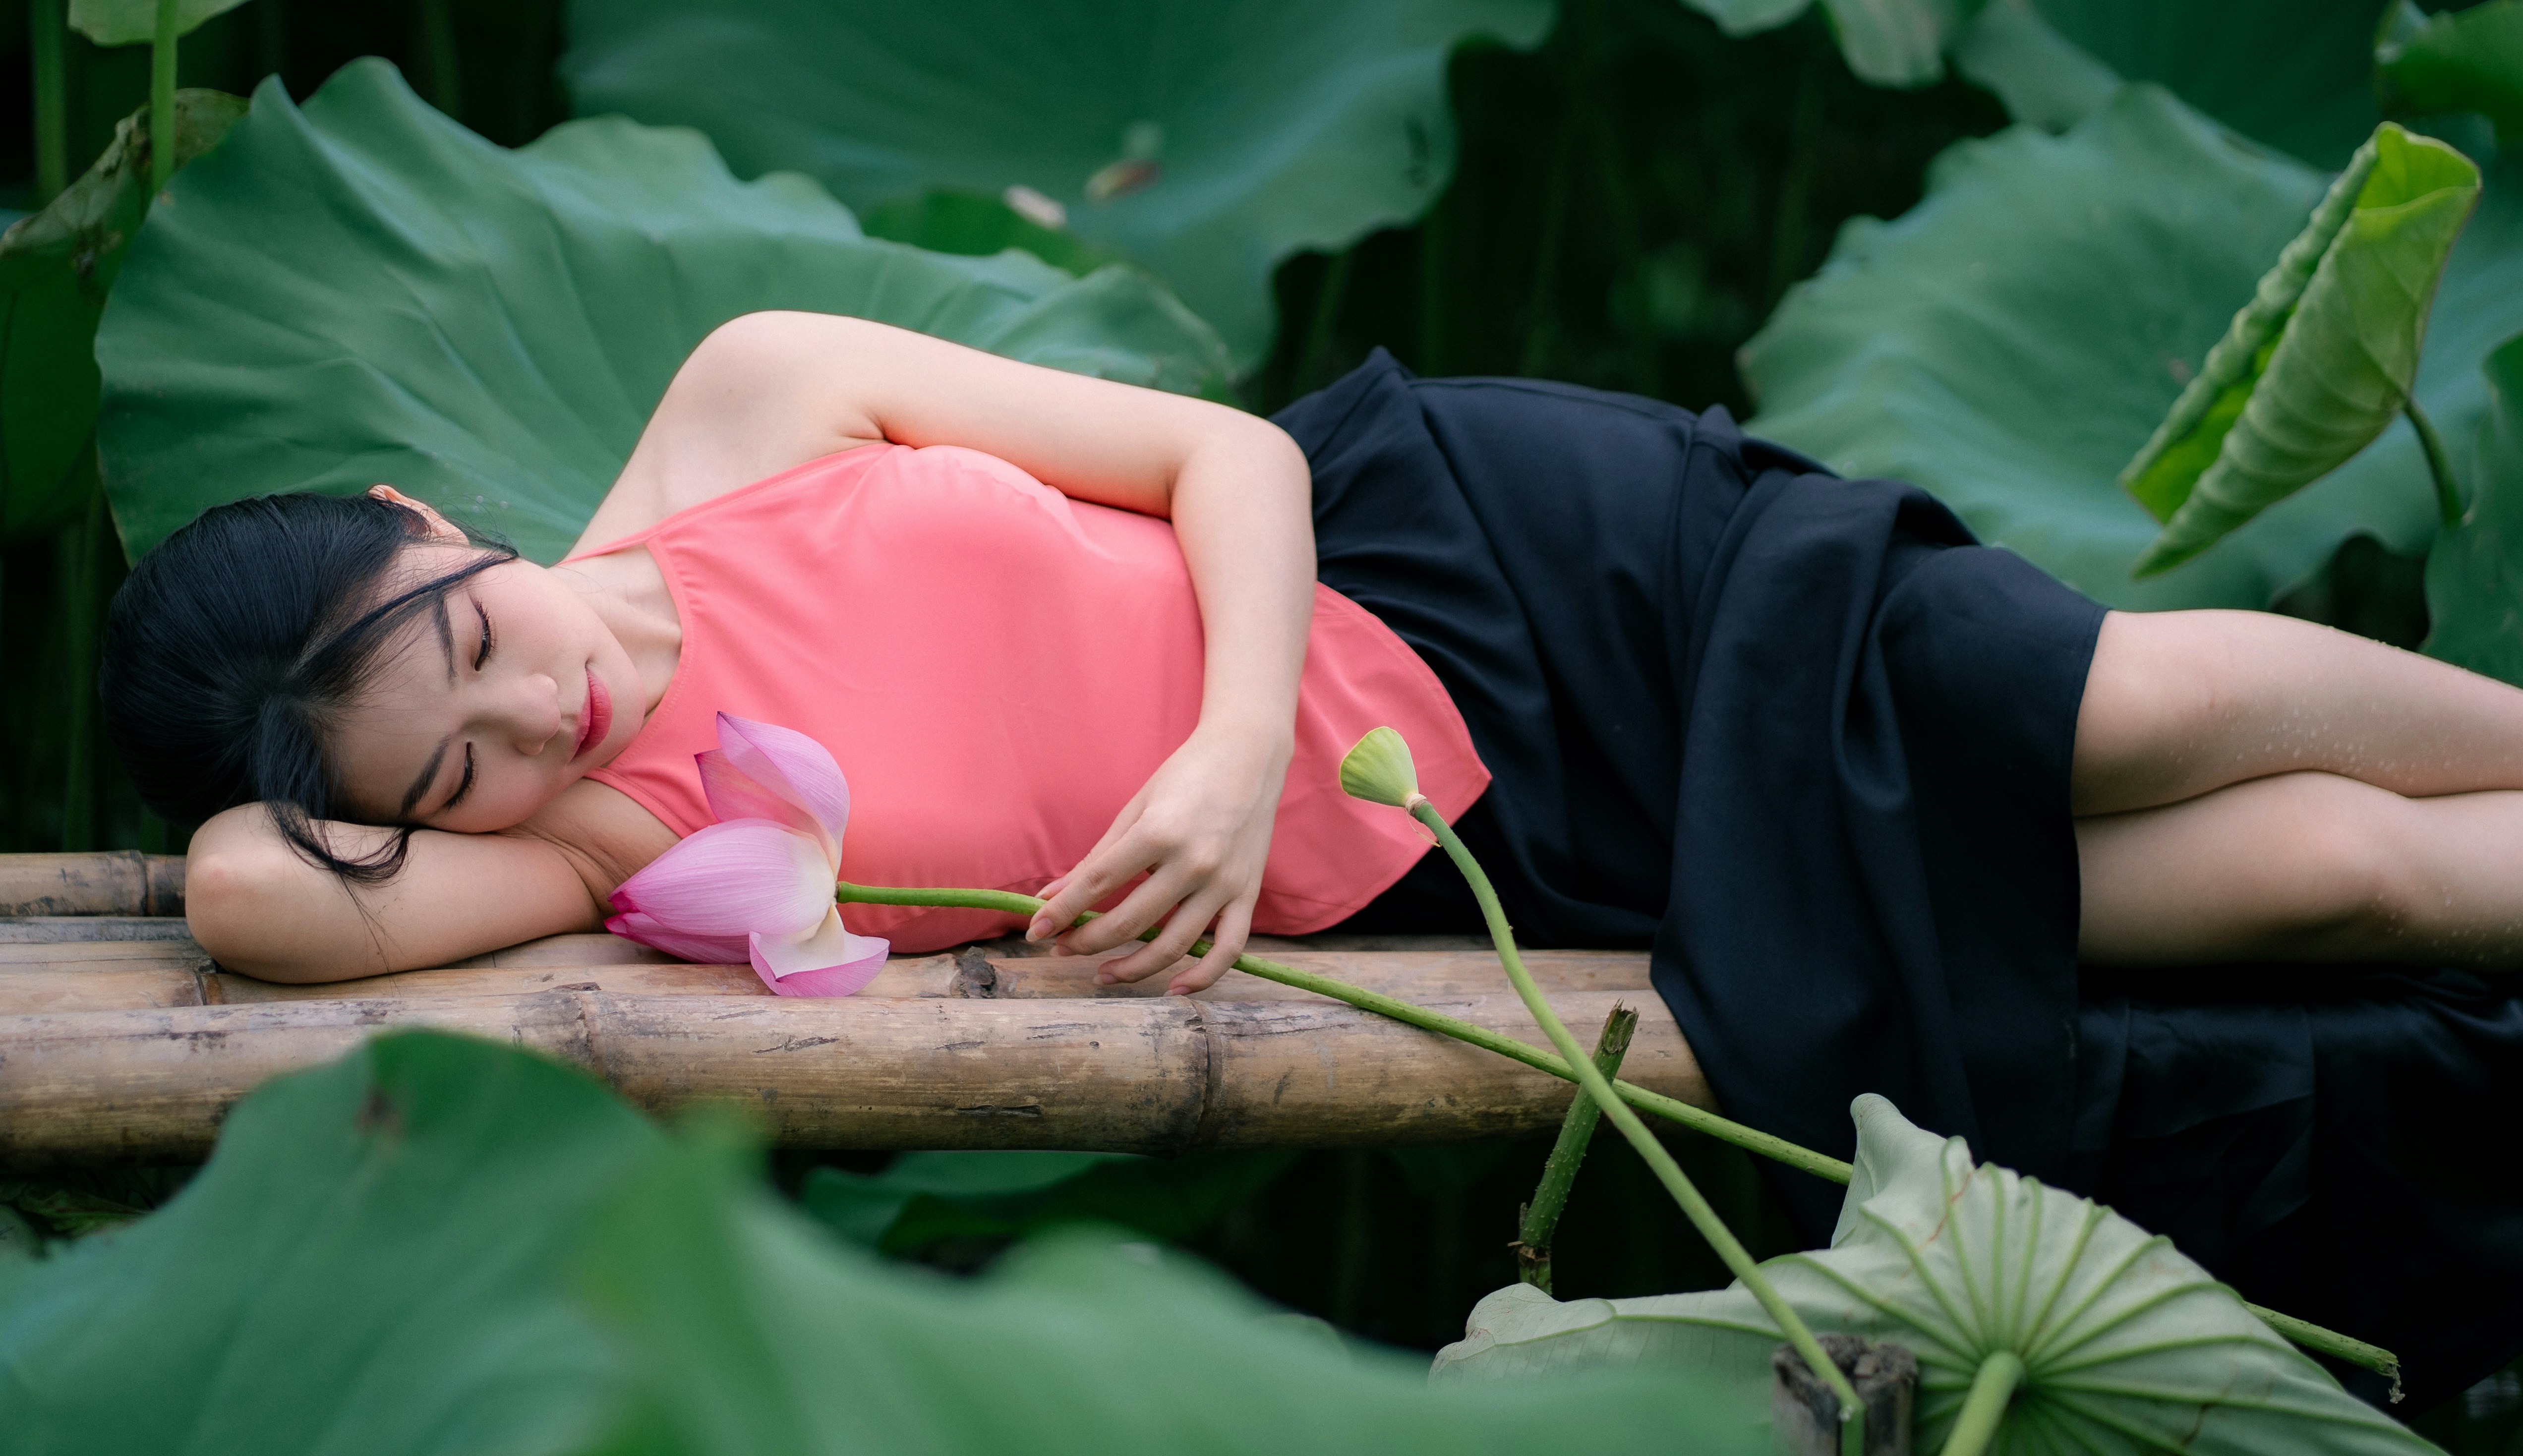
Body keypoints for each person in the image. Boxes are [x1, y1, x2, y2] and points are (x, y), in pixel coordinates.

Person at [101, 312, 2523, 1402]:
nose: (546, 722)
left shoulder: (750, 398)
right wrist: (363, 792)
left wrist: (1228, 751)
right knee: (2308, 898)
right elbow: (235, 890)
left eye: (480, 643)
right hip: (1545, 844)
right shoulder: (611, 842)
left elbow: (1219, 460)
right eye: (453, 778)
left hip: (1484, 573)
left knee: (2146, 705)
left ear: (432, 513)